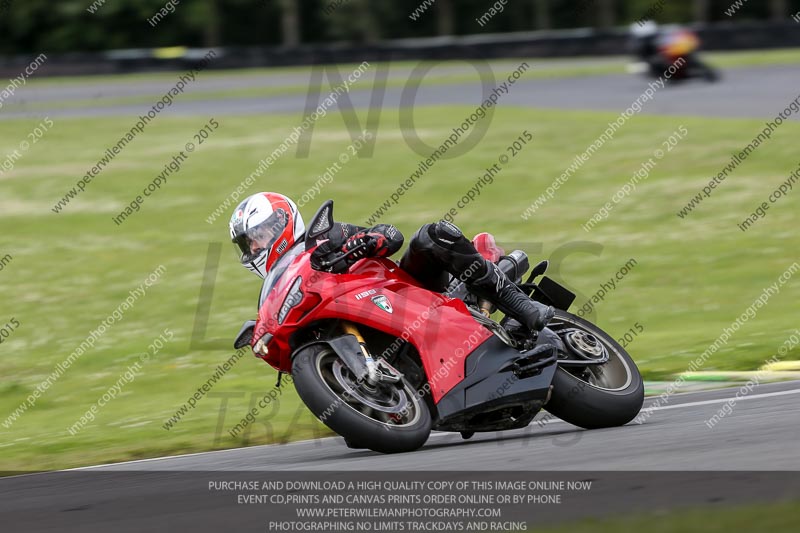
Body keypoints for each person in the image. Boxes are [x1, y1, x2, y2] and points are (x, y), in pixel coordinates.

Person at [229, 192, 553, 332]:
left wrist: (365, 242)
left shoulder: (326, 235)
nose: (256, 245)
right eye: (248, 242)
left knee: (431, 235)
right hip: (373, 322)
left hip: (409, 293)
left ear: (281, 223)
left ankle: (520, 304)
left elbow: (391, 235)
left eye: (258, 234)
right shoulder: (281, 288)